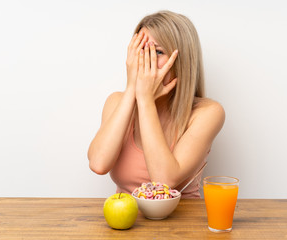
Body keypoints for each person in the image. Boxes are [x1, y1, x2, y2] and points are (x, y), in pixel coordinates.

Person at [88, 10, 225, 199]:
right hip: (127, 222)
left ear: (181, 62)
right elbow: (98, 163)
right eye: (141, 50)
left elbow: (164, 182)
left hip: (184, 224)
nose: (146, 59)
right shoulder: (116, 102)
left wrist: (145, 100)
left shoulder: (208, 113)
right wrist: (131, 90)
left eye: (157, 51)